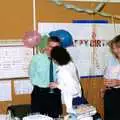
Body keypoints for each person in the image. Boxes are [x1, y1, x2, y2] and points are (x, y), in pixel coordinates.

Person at [29, 36, 62, 118]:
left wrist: (59, 83)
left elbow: (66, 75)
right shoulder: (36, 59)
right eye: (51, 47)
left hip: (55, 93)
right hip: (39, 93)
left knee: (55, 116)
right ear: (47, 46)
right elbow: (31, 75)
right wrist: (41, 84)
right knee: (37, 117)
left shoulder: (61, 60)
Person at [49, 46, 83, 114]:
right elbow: (71, 81)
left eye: (52, 58)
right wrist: (58, 83)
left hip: (73, 99)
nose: (52, 60)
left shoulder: (63, 71)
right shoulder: (70, 64)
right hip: (78, 97)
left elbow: (73, 89)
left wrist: (57, 85)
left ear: (56, 59)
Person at [104, 34, 120, 120]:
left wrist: (118, 82)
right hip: (110, 94)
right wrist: (105, 88)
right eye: (113, 48)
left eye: (117, 47)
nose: (115, 50)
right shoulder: (112, 60)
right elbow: (107, 76)